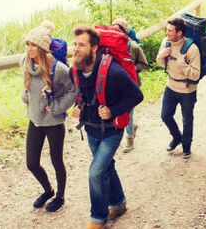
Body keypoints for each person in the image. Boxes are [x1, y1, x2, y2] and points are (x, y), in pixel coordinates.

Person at [69, 25, 143, 229]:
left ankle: (98, 218)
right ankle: (119, 204)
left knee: (95, 173)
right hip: (90, 129)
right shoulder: (74, 70)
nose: (76, 49)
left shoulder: (114, 72)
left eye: (81, 45)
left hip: (112, 131)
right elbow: (82, 95)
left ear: (94, 48)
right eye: (75, 44)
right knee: (107, 167)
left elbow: (137, 95)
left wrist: (113, 110)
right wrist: (77, 107)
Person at [20, 24, 76, 212]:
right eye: (27, 44)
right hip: (35, 120)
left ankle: (60, 196)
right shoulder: (25, 63)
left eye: (34, 45)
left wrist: (56, 107)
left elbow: (73, 91)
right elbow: (26, 86)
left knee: (56, 160)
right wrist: (24, 96)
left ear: (42, 47)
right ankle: (48, 190)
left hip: (53, 122)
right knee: (32, 163)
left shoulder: (57, 68)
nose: (29, 49)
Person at [156, 17, 200, 159]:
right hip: (171, 86)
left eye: (170, 30)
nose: (167, 33)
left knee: (187, 119)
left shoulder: (192, 49)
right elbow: (162, 64)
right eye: (167, 30)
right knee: (165, 115)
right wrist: (162, 55)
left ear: (179, 33)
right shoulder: (166, 43)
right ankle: (177, 137)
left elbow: (195, 75)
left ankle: (186, 146)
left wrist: (182, 64)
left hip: (187, 90)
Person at [111, 18, 148, 153]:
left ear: (124, 31)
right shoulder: (110, 47)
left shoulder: (133, 46)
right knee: (122, 111)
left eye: (117, 29)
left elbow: (143, 64)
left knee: (128, 111)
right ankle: (131, 128)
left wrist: (130, 68)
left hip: (132, 85)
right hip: (117, 85)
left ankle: (130, 138)